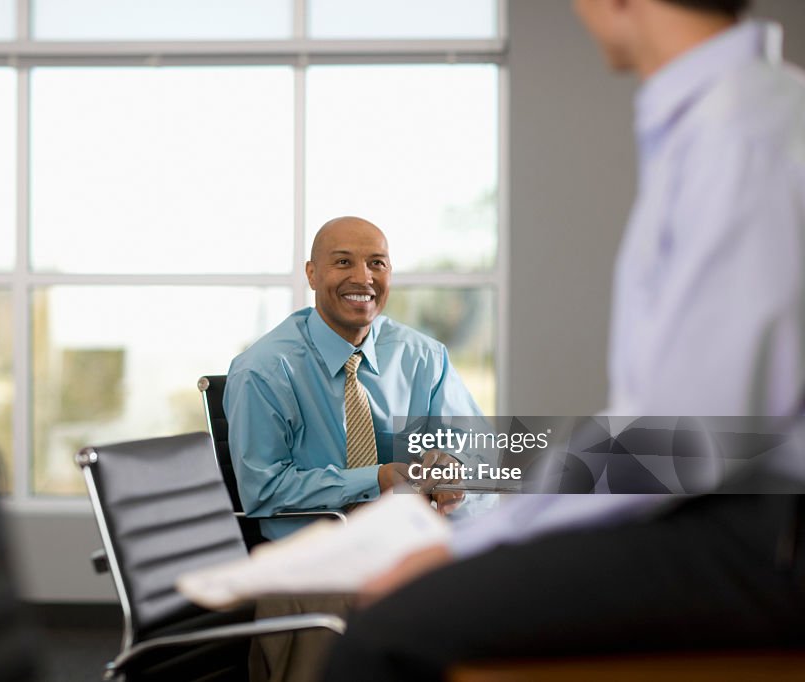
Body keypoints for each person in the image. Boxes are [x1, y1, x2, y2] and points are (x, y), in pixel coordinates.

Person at [323, 1, 805, 680]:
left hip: (765, 532)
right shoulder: (749, 115)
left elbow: (684, 439)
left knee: (382, 638)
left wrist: (479, 542)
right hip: (743, 513)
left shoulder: (737, 136)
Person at [224, 215, 490, 541]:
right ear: (312, 274)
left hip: (410, 548)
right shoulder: (262, 371)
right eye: (343, 262)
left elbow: (481, 448)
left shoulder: (424, 357)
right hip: (312, 560)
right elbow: (263, 490)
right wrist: (375, 480)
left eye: (376, 263)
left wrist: (455, 465)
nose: (363, 278)